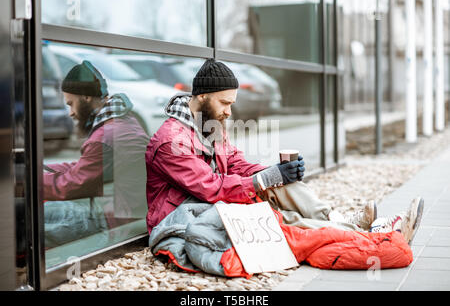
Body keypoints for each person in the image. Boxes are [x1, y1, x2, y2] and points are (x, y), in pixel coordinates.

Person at [145, 58, 424, 246]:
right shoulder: (171, 141)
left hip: (214, 202)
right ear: (203, 97)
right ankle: (374, 235)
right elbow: (210, 188)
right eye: (224, 102)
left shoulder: (210, 122)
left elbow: (234, 162)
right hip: (188, 215)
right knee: (278, 218)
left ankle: (337, 220)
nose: (229, 111)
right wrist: (264, 180)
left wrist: (277, 174)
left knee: (279, 183)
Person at [43, 60, 149, 248]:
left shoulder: (106, 136)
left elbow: (70, 186)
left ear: (85, 97)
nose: (70, 113)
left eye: (71, 104)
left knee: (30, 217)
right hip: (122, 214)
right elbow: (84, 166)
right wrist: (41, 168)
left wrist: (29, 180)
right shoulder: (123, 121)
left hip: (113, 225)